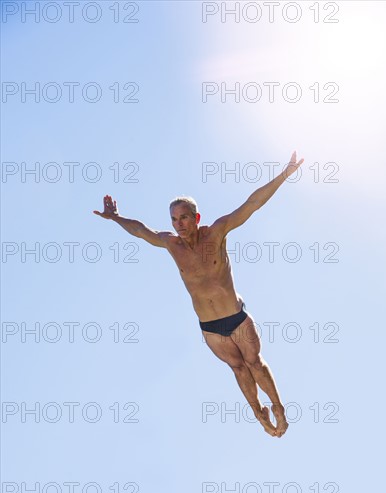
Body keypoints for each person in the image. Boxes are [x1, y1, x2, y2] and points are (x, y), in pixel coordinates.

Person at [94, 151, 304, 437]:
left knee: (254, 362)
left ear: (196, 218)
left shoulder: (216, 233)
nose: (178, 224)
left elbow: (252, 204)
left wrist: (284, 175)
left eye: (183, 218)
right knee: (238, 368)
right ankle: (259, 414)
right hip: (210, 327)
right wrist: (116, 217)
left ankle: (278, 408)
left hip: (236, 317)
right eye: (174, 220)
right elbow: (141, 231)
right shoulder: (171, 245)